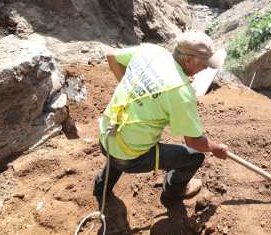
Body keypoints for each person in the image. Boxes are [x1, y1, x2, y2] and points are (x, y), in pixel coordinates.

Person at [93, 30, 229, 207]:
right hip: (130, 157)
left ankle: (101, 187)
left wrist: (135, 91)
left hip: (105, 136)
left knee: (120, 145)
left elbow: (112, 56)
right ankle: (173, 192)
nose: (207, 68)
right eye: (205, 64)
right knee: (195, 158)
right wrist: (216, 148)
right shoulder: (182, 93)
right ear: (188, 61)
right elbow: (194, 142)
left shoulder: (151, 52)